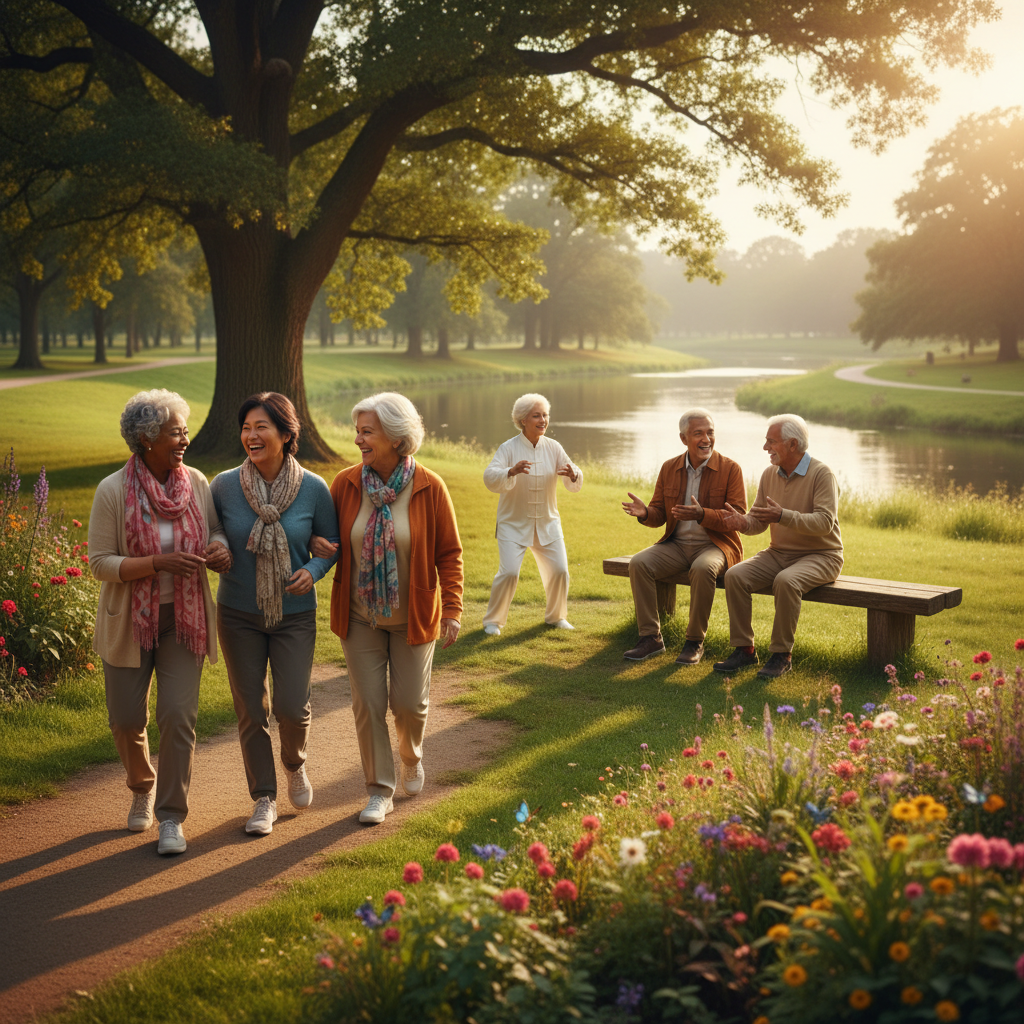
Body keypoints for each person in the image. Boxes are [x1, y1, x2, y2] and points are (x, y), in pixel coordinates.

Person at [89, 389, 231, 856]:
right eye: (176, 432)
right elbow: (100, 563)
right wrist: (156, 563)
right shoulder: (112, 490)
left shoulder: (195, 481)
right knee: (127, 719)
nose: (185, 439)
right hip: (130, 620)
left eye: (185, 430)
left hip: (185, 620)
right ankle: (141, 786)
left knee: (177, 716)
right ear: (147, 439)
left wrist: (216, 547)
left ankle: (172, 817)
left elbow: (212, 529)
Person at [329, 392, 463, 825]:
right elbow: (327, 540)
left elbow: (450, 553)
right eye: (358, 431)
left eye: (367, 432)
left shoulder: (429, 485)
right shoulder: (346, 484)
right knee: (367, 703)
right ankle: (379, 790)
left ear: (396, 436)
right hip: (360, 617)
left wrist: (453, 609)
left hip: (414, 617)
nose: (358, 441)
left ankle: (411, 755)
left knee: (408, 705)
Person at [210, 393, 338, 837]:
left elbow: (330, 545)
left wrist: (313, 569)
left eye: (261, 426)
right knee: (250, 708)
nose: (251, 435)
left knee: (290, 707)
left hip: (295, 613)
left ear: (286, 435)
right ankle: (263, 796)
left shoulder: (314, 489)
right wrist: (220, 548)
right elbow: (215, 530)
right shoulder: (223, 485)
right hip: (238, 612)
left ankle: (294, 764)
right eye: (246, 427)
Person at [713, 413, 843, 678]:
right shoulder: (769, 474)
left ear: (792, 445)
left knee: (786, 581)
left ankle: (782, 655)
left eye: (771, 442)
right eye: (766, 442)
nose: (765, 448)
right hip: (779, 553)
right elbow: (759, 521)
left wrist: (783, 515)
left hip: (822, 556)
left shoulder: (822, 474)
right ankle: (744, 650)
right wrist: (741, 522)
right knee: (735, 575)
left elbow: (824, 523)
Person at [620, 408, 745, 665]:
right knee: (638, 563)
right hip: (676, 545)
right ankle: (650, 637)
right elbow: (659, 514)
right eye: (698, 433)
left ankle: (694, 640)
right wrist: (645, 513)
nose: (706, 439)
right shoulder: (669, 468)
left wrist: (702, 514)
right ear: (683, 438)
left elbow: (739, 517)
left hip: (715, 546)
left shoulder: (731, 469)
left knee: (702, 568)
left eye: (710, 432)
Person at [482, 393, 582, 635]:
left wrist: (573, 474)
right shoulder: (508, 448)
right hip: (513, 524)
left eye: (545, 415)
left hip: (548, 522)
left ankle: (556, 617)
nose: (543, 420)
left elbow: (574, 472)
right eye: (536, 415)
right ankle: (493, 621)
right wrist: (510, 472)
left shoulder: (554, 447)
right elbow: (489, 476)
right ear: (522, 420)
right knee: (509, 573)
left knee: (560, 570)